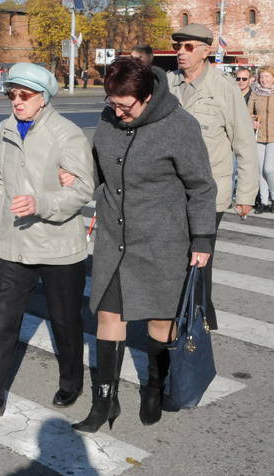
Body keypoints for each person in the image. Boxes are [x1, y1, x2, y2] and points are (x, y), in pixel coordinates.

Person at [72, 58, 216, 432]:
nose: (117, 113)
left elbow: (201, 186)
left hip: (162, 241)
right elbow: (98, 167)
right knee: (107, 315)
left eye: (125, 106)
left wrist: (202, 239)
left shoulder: (179, 126)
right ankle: (105, 401)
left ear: (148, 96)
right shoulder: (108, 120)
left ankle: (154, 386)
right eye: (112, 104)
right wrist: (75, 176)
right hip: (114, 237)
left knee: (159, 322)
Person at [0, 63, 94, 418]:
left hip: (58, 244)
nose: (16, 101)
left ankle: (71, 381)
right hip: (14, 241)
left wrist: (41, 203)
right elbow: (1, 181)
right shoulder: (6, 128)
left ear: (43, 98)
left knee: (64, 320)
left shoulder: (67, 134)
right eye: (12, 95)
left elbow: (82, 189)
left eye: (25, 95)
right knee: (3, 320)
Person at [166, 23, 257, 330]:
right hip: (170, 190)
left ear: (205, 51)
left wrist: (246, 195)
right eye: (178, 46)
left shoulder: (224, 89)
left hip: (209, 194)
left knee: (199, 260)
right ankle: (187, 315)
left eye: (188, 47)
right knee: (175, 260)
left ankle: (199, 322)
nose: (181, 52)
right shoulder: (167, 84)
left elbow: (244, 143)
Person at [248, 66, 274, 215]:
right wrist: (253, 120)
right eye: (261, 77)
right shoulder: (255, 92)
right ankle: (264, 201)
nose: (264, 79)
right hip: (259, 135)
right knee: (260, 169)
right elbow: (248, 112)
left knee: (268, 168)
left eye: (267, 76)